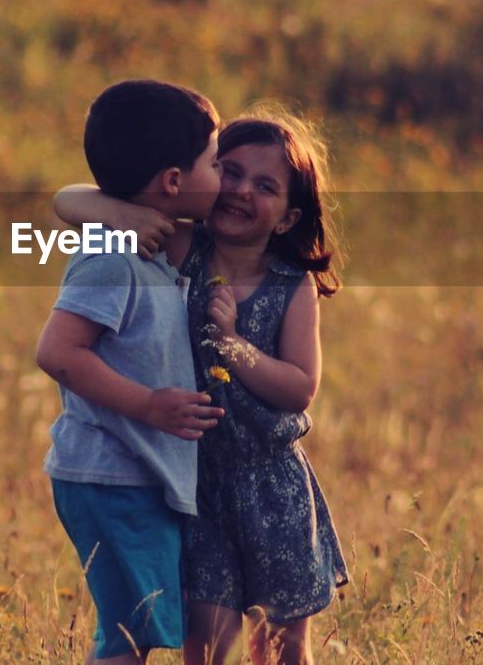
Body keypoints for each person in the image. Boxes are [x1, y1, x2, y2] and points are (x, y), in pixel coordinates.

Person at [55, 107, 348, 665]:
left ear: (287, 218)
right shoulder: (179, 246)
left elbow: (299, 387)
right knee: (211, 649)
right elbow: (67, 202)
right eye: (229, 171)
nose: (239, 191)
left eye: (265, 186)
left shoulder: (293, 286)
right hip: (196, 487)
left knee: (284, 649)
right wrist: (119, 212)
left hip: (274, 488)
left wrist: (232, 342)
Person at [36, 79, 227, 665]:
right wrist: (148, 405)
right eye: (216, 162)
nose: (225, 176)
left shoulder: (170, 238)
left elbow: (69, 197)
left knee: (137, 631)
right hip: (110, 471)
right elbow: (59, 353)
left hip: (136, 473)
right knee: (127, 639)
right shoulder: (111, 252)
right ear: (173, 181)